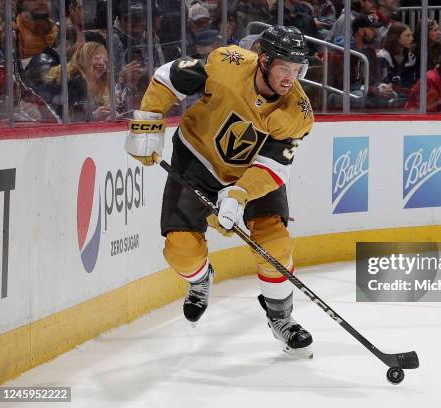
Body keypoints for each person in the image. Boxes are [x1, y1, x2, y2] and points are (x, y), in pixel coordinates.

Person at [123, 26, 315, 358]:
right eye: (285, 67)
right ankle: (200, 280)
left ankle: (282, 318)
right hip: (196, 159)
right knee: (181, 251)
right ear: (264, 61)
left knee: (274, 243)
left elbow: (274, 168)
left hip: (253, 173)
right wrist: (148, 123)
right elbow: (168, 76)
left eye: (298, 70)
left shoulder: (297, 112)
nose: (291, 78)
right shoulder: (229, 64)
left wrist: (238, 194)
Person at [43, 41, 112, 121]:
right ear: (84, 58)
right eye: (97, 58)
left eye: (105, 61)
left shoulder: (92, 83)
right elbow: (65, 119)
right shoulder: (76, 79)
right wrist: (93, 116)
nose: (102, 64)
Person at [377, 22, 416, 105]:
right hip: (387, 97)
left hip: (405, 96)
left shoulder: (411, 57)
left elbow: (410, 82)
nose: (411, 39)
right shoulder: (383, 56)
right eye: (407, 35)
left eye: (411, 35)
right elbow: (382, 83)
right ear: (396, 37)